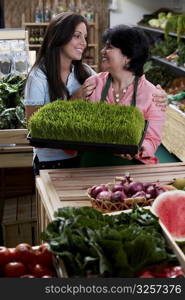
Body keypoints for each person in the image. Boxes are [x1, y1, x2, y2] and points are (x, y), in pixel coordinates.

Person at [80, 25, 166, 167]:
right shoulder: (93, 84)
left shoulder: (153, 95)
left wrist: (140, 148)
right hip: (93, 162)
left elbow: (152, 138)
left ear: (128, 57)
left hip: (132, 167)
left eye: (109, 47)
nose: (102, 51)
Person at [24, 12, 96, 175]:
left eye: (85, 37)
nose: (83, 43)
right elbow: (34, 128)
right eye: (77, 36)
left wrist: (154, 94)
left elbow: (116, 87)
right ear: (59, 36)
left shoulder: (84, 71)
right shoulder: (38, 77)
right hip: (50, 162)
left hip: (85, 156)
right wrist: (73, 100)